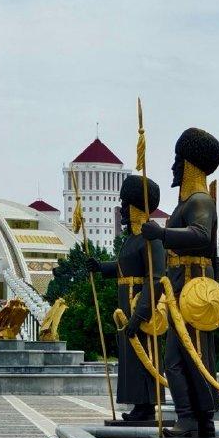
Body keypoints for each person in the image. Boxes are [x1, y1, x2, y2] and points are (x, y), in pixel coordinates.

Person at [142, 127, 219, 438]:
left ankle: (195, 419)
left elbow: (202, 237)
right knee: (182, 357)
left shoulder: (200, 201)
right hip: (182, 285)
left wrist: (161, 233)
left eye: (177, 159)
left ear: (188, 163)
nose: (173, 166)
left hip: (193, 288)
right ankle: (196, 418)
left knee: (189, 355)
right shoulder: (186, 203)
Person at [88, 175, 165, 422]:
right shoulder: (132, 239)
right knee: (131, 358)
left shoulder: (150, 238)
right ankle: (139, 405)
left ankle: (147, 406)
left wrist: (140, 314)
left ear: (134, 205)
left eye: (124, 202)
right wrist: (101, 267)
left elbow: (155, 279)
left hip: (141, 309)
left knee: (145, 355)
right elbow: (125, 267)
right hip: (126, 306)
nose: (121, 209)